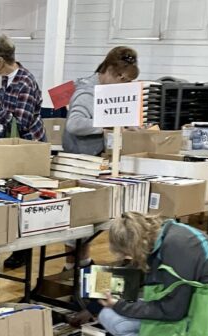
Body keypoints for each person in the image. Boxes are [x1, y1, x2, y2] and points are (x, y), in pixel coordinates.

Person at [60, 46, 141, 276]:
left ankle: (77, 266)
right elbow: (74, 124)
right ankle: (74, 267)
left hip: (92, 162)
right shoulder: (88, 92)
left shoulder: (102, 91)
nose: (122, 84)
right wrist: (105, 123)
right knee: (80, 221)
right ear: (111, 71)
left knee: (85, 223)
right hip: (78, 163)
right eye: (122, 79)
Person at [0, 34, 45, 269]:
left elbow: (23, 121)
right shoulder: (7, 78)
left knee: (22, 198)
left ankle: (23, 253)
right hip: (8, 145)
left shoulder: (25, 82)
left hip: (26, 148)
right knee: (0, 195)